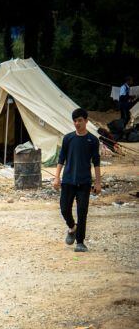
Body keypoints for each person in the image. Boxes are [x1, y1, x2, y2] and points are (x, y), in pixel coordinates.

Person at [53, 108, 101, 253]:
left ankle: (80, 242)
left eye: (80, 120)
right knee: (64, 209)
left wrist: (98, 182)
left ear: (86, 121)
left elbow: (96, 162)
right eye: (75, 121)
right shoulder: (68, 138)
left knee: (82, 211)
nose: (77, 123)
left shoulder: (93, 140)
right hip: (68, 180)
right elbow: (61, 159)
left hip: (84, 182)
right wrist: (57, 177)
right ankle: (72, 227)